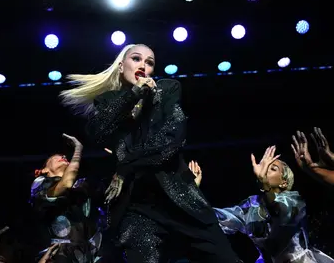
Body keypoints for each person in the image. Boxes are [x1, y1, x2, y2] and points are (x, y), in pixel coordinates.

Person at [61, 44, 240, 262]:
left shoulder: (167, 91)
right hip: (137, 205)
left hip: (180, 199)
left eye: (149, 62)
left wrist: (126, 166)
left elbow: (170, 142)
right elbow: (98, 133)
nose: (143, 65)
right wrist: (135, 93)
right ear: (120, 67)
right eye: (136, 59)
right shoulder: (108, 102)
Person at [191, 146, 334, 263]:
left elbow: (282, 214)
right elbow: (215, 218)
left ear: (283, 182)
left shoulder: (294, 200)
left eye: (273, 169)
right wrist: (193, 191)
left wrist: (265, 185)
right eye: (265, 167)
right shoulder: (250, 206)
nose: (265, 170)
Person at [30, 134, 105, 263]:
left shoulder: (82, 187)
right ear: (44, 170)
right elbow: (66, 183)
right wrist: (78, 149)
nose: (63, 157)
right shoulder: (41, 184)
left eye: (64, 156)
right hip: (59, 254)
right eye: (56, 157)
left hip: (86, 254)